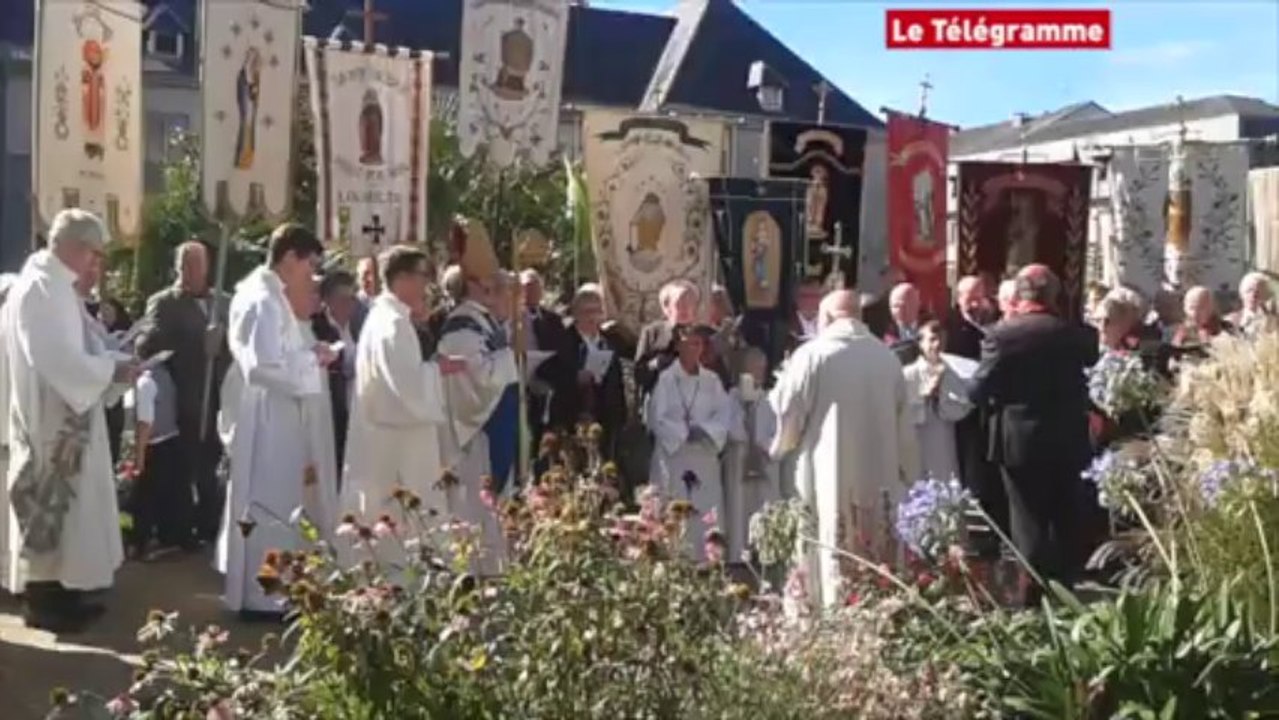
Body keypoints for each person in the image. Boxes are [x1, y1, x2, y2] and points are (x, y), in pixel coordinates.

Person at [2, 209, 137, 631]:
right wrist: (108, 370)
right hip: (52, 423)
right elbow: (56, 358)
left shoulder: (57, 286)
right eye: (95, 254)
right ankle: (45, 604)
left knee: (72, 516)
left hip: (70, 418)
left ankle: (66, 593)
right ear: (76, 248)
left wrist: (114, 362)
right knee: (51, 511)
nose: (96, 265)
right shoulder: (42, 288)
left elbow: (82, 348)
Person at [769, 290, 919, 608]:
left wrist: (783, 445)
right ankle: (878, 606)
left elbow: (789, 409)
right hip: (880, 469)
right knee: (874, 535)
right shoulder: (886, 357)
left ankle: (827, 608)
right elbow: (904, 421)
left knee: (830, 532)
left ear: (825, 318)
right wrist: (908, 469)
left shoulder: (813, 354)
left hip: (826, 468)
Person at [218, 223, 335, 616]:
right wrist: (312, 359)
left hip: (281, 415)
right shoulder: (261, 301)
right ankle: (261, 595)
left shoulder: (272, 298)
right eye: (309, 266)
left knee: (284, 504)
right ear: (289, 258)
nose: (311, 275)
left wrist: (308, 351)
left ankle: (277, 589)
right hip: (267, 420)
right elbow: (262, 367)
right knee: (268, 505)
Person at [969, 264, 1098, 606]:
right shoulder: (1074, 334)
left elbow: (978, 390)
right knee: (1064, 514)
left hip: (1018, 442)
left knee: (1027, 520)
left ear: (1021, 295)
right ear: (1054, 295)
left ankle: (1032, 596)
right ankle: (1066, 590)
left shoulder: (1002, 336)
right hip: (1067, 438)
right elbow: (1090, 359)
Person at [342, 246, 466, 524]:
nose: (427, 285)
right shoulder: (394, 323)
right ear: (403, 278)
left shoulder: (383, 316)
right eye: (423, 276)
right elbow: (407, 385)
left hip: (385, 435)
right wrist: (438, 369)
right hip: (399, 440)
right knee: (406, 520)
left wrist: (432, 367)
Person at [436, 231, 520, 575]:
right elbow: (475, 381)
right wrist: (508, 358)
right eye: (500, 289)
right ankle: (473, 568)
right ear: (481, 288)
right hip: (475, 435)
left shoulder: (485, 322)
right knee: (475, 500)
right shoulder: (462, 326)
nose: (506, 298)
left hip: (493, 426)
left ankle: (493, 565)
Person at [137, 240, 231, 546]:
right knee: (187, 468)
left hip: (219, 398)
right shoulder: (165, 302)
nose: (192, 271)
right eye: (187, 265)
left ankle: (210, 525)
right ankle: (181, 529)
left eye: (198, 264)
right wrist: (194, 345)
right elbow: (148, 345)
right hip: (184, 399)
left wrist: (222, 344)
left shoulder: (224, 302)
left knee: (214, 466)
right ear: (178, 268)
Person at [647, 325, 731, 561]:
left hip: (703, 453)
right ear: (678, 346)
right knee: (674, 503)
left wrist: (706, 431)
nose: (694, 348)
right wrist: (682, 433)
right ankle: (672, 554)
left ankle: (707, 557)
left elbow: (724, 415)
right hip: (675, 454)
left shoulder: (712, 380)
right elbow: (657, 418)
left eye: (698, 344)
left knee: (704, 506)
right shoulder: (666, 380)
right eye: (688, 343)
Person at [552, 283, 626, 461]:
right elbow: (550, 374)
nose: (593, 317)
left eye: (597, 311)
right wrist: (574, 378)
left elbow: (617, 381)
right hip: (572, 416)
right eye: (587, 311)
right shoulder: (562, 340)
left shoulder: (609, 341)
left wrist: (620, 417)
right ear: (576, 314)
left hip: (604, 418)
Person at [290, 280, 339, 536]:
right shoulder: (288, 331)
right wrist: (313, 358)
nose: (316, 302)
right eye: (311, 293)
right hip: (302, 427)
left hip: (319, 419)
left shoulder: (308, 328)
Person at [723, 346, 779, 564]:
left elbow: (776, 429)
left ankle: (766, 553)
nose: (760, 372)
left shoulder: (769, 398)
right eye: (756, 367)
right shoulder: (733, 397)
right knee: (739, 507)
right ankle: (738, 553)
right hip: (740, 459)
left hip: (763, 462)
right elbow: (729, 427)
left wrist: (765, 445)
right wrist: (747, 437)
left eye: (763, 368)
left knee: (764, 505)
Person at [127, 363, 185, 561]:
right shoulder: (166, 375)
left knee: (143, 499)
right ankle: (169, 538)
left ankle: (140, 545)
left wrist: (139, 456)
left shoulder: (145, 382)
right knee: (167, 495)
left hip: (153, 445)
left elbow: (145, 422)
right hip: (171, 439)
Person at [902, 321, 971, 483]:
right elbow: (901, 409)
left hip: (943, 435)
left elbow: (961, 406)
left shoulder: (953, 372)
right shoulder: (908, 374)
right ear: (921, 343)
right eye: (932, 339)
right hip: (919, 437)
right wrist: (923, 397)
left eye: (941, 339)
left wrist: (941, 397)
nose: (937, 344)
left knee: (945, 475)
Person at [311, 270, 358, 475]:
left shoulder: (352, 327)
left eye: (352, 299)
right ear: (329, 300)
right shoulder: (319, 329)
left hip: (350, 407)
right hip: (331, 410)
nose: (350, 305)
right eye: (344, 299)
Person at [520, 269, 570, 443]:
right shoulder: (512, 318)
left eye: (535, 287)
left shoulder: (553, 320)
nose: (531, 292)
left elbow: (563, 352)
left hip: (546, 386)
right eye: (527, 287)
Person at [634, 280, 700, 398]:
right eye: (680, 303)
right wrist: (655, 364)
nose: (685, 308)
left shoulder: (702, 334)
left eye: (690, 303)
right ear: (666, 307)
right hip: (661, 397)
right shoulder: (652, 332)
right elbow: (639, 373)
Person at [1231, 272, 1277, 337]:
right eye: (1249, 290)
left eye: (1258, 292)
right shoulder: (1231, 320)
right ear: (1242, 294)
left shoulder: (1272, 321)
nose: (1253, 295)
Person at [351, 255, 379, 339]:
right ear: (358, 277)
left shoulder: (388, 303)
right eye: (366, 274)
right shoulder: (352, 306)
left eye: (374, 274)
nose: (370, 279)